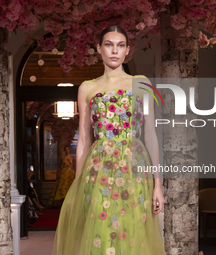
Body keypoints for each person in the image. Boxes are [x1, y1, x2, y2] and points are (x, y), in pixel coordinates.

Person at [52, 25, 166, 255]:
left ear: (127, 51)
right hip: (98, 170)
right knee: (99, 233)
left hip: (134, 168)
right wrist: (77, 185)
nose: (115, 51)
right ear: (99, 49)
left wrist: (158, 185)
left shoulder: (141, 83)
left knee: (134, 232)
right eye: (109, 45)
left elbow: (151, 135)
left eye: (120, 45)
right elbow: (83, 138)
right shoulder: (88, 87)